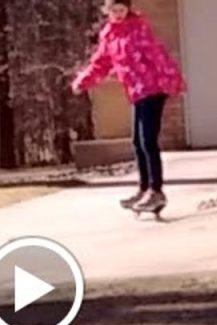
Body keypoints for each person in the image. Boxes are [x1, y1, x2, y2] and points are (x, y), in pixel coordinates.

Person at [72, 0, 186, 215]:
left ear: (128, 9)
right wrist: (83, 81)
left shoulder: (138, 28)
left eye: (122, 10)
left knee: (148, 141)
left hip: (153, 88)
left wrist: (173, 80)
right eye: (114, 10)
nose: (118, 14)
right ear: (108, 10)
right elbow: (101, 63)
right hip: (136, 91)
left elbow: (157, 55)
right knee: (137, 142)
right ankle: (143, 189)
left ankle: (156, 190)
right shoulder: (109, 34)